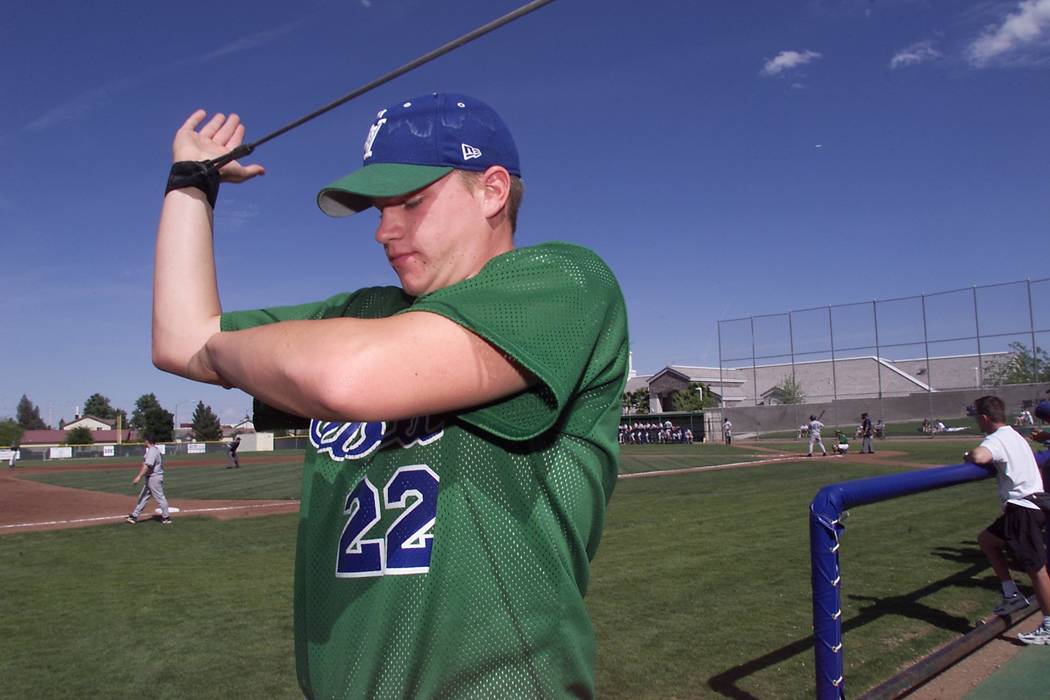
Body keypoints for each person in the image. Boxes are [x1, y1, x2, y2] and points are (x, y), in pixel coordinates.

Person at [151, 94, 629, 697]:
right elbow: (177, 340)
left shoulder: (565, 282)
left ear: (493, 191)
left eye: (411, 201)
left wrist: (223, 350)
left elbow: (345, 378)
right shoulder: (364, 314)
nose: (383, 230)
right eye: (379, 208)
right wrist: (190, 185)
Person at [964, 395, 1050, 644]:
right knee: (987, 540)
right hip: (1031, 504)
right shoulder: (1015, 435)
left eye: (976, 417)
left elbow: (980, 457)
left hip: (1022, 508)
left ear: (983, 418)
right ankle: (1011, 594)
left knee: (1037, 570)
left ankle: (1048, 625)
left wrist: (969, 454)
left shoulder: (997, 439)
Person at [125, 435, 171, 525]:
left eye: (144, 440)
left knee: (160, 497)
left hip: (154, 478)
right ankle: (134, 516)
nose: (144, 442)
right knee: (143, 497)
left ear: (147, 441)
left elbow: (147, 465)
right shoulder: (153, 450)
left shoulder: (152, 451)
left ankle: (166, 517)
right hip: (151, 478)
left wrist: (138, 477)